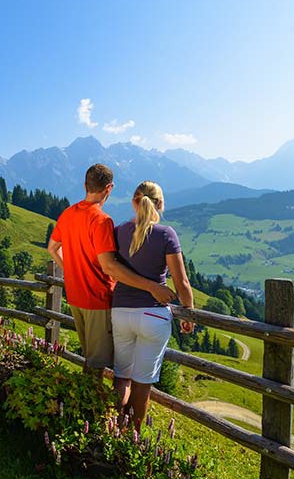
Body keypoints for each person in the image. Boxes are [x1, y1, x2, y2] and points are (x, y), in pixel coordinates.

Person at [47, 165, 176, 374]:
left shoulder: (68, 213)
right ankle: (89, 405)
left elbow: (52, 248)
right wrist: (152, 287)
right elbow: (109, 266)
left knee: (90, 357)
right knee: (97, 364)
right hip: (98, 298)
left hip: (75, 297)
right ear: (109, 188)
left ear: (85, 185)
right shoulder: (101, 220)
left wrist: (71, 273)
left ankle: (86, 402)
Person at [111, 180, 194, 426]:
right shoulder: (166, 234)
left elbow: (114, 270)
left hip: (121, 311)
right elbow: (182, 282)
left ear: (134, 202)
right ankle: (132, 437)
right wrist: (188, 314)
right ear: (160, 204)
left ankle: (111, 427)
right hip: (153, 315)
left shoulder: (119, 231)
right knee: (142, 382)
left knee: (121, 376)